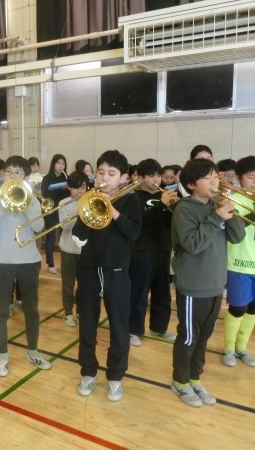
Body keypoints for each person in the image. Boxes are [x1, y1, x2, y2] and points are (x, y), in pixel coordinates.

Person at [170, 158, 245, 408]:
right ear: (191, 184)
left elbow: (238, 237)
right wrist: (216, 218)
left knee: (203, 337)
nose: (215, 182)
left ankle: (194, 377)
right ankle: (180, 381)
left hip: (215, 284)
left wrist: (230, 212)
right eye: (208, 178)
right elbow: (192, 244)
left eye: (216, 176)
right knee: (189, 337)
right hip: (193, 286)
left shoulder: (216, 206)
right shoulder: (184, 209)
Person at [72, 150, 142, 402]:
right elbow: (78, 238)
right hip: (89, 270)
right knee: (87, 326)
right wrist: (87, 206)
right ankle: (88, 372)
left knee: (120, 328)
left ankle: (115, 377)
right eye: (101, 172)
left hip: (117, 272)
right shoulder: (90, 199)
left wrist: (112, 211)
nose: (104, 177)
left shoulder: (131, 200)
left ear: (123, 178)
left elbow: (134, 234)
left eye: (111, 173)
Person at [0, 155, 50, 377]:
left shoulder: (33, 200)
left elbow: (39, 227)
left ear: (26, 177)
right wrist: (4, 204)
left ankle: (33, 351)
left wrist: (25, 203)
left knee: (32, 309)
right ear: (3, 175)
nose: (12, 176)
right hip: (2, 261)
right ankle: (2, 357)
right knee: (1, 310)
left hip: (29, 261)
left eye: (18, 173)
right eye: (9, 172)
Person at [222, 156, 255, 368]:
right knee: (238, 307)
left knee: (253, 308)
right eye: (251, 177)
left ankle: (242, 347)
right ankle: (229, 348)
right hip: (239, 262)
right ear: (240, 178)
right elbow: (235, 228)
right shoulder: (233, 199)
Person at [129, 159, 178, 347]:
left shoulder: (165, 195)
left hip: (164, 249)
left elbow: (171, 223)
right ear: (141, 178)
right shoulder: (134, 198)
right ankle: (133, 330)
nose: (156, 179)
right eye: (151, 176)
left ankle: (159, 327)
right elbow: (139, 222)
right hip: (142, 250)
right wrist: (160, 204)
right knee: (139, 293)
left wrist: (174, 208)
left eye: (158, 175)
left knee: (162, 292)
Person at [57, 170, 89, 327]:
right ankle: (68, 312)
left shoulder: (91, 201)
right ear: (69, 187)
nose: (80, 191)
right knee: (68, 284)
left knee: (84, 285)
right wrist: (80, 211)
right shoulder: (63, 203)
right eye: (76, 188)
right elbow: (65, 226)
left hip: (85, 250)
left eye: (83, 187)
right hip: (68, 250)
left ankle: (81, 312)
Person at [41, 154, 70, 274]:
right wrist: (58, 189)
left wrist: (67, 189)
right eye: (58, 163)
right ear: (53, 164)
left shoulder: (67, 179)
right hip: (51, 211)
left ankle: (65, 265)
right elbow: (44, 194)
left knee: (65, 238)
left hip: (63, 210)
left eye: (63, 163)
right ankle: (51, 264)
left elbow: (69, 196)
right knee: (50, 238)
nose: (61, 166)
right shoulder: (47, 178)